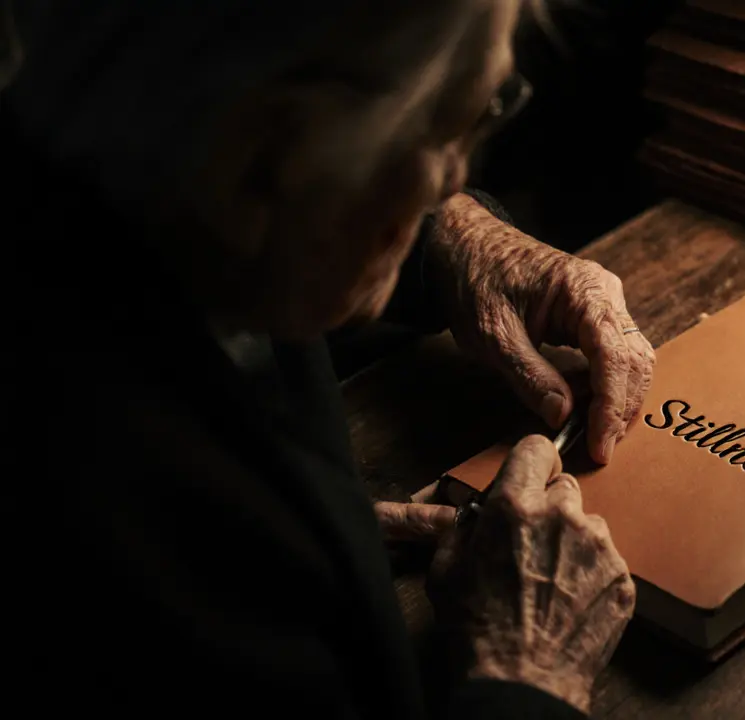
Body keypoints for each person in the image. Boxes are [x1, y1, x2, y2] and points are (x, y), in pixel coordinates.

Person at [2, 1, 655, 718]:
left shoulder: (126, 175)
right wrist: (526, 676)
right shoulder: (141, 551)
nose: (452, 182)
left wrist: (455, 241)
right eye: (447, 125)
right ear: (266, 159)